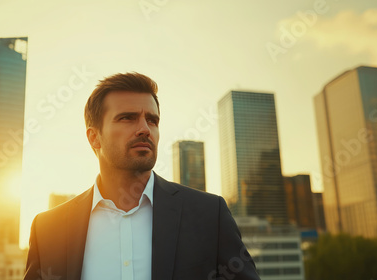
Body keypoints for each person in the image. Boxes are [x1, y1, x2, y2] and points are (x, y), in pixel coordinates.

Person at [24, 72, 260, 280]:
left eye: (152, 120)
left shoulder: (209, 214)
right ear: (94, 137)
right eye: (127, 117)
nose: (145, 129)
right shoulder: (47, 230)